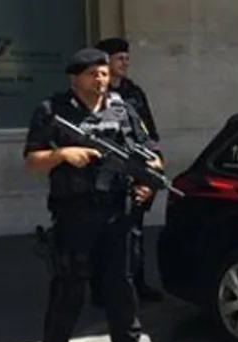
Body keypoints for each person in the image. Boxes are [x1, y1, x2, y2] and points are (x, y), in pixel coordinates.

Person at [23, 47, 164, 342]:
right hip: (76, 213)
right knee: (70, 284)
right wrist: (62, 154)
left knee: (121, 282)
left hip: (119, 210)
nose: (100, 79)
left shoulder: (124, 109)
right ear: (75, 78)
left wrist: (148, 181)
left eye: (103, 73)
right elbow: (30, 163)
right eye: (92, 74)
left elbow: (152, 154)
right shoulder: (52, 110)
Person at [92, 37, 164, 303]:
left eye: (126, 58)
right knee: (105, 233)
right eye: (119, 58)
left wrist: (154, 160)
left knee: (134, 230)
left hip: (135, 170)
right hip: (106, 175)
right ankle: (101, 288)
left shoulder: (133, 92)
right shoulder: (94, 92)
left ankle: (136, 283)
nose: (125, 63)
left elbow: (148, 130)